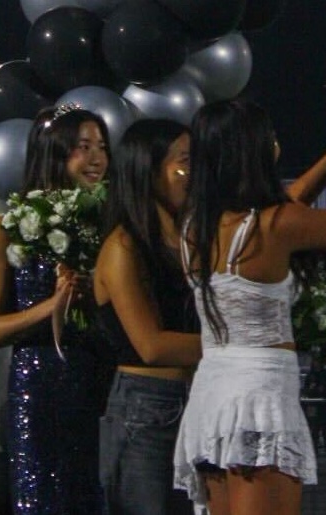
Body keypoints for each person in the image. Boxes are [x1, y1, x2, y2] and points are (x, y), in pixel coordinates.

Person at [173, 97, 326, 515]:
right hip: (258, 398)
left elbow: (293, 200)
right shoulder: (274, 226)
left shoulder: (196, 228)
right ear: (248, 150)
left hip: (211, 396)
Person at [0, 105, 113, 514]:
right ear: (54, 152)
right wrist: (52, 306)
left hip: (103, 391)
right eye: (82, 147)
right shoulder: (6, 229)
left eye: (102, 147)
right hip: (40, 396)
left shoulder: (111, 226)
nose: (96, 159)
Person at [93, 119, 203, 514]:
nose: (192, 173)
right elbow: (151, 346)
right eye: (184, 161)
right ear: (147, 168)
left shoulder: (192, 238)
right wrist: (238, 345)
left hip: (199, 399)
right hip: (145, 410)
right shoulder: (123, 246)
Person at [302, 354, 326, 454]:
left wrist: (324, 391)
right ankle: (314, 449)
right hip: (314, 405)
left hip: (324, 405)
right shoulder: (310, 375)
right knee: (314, 429)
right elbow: (306, 389)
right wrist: (312, 390)